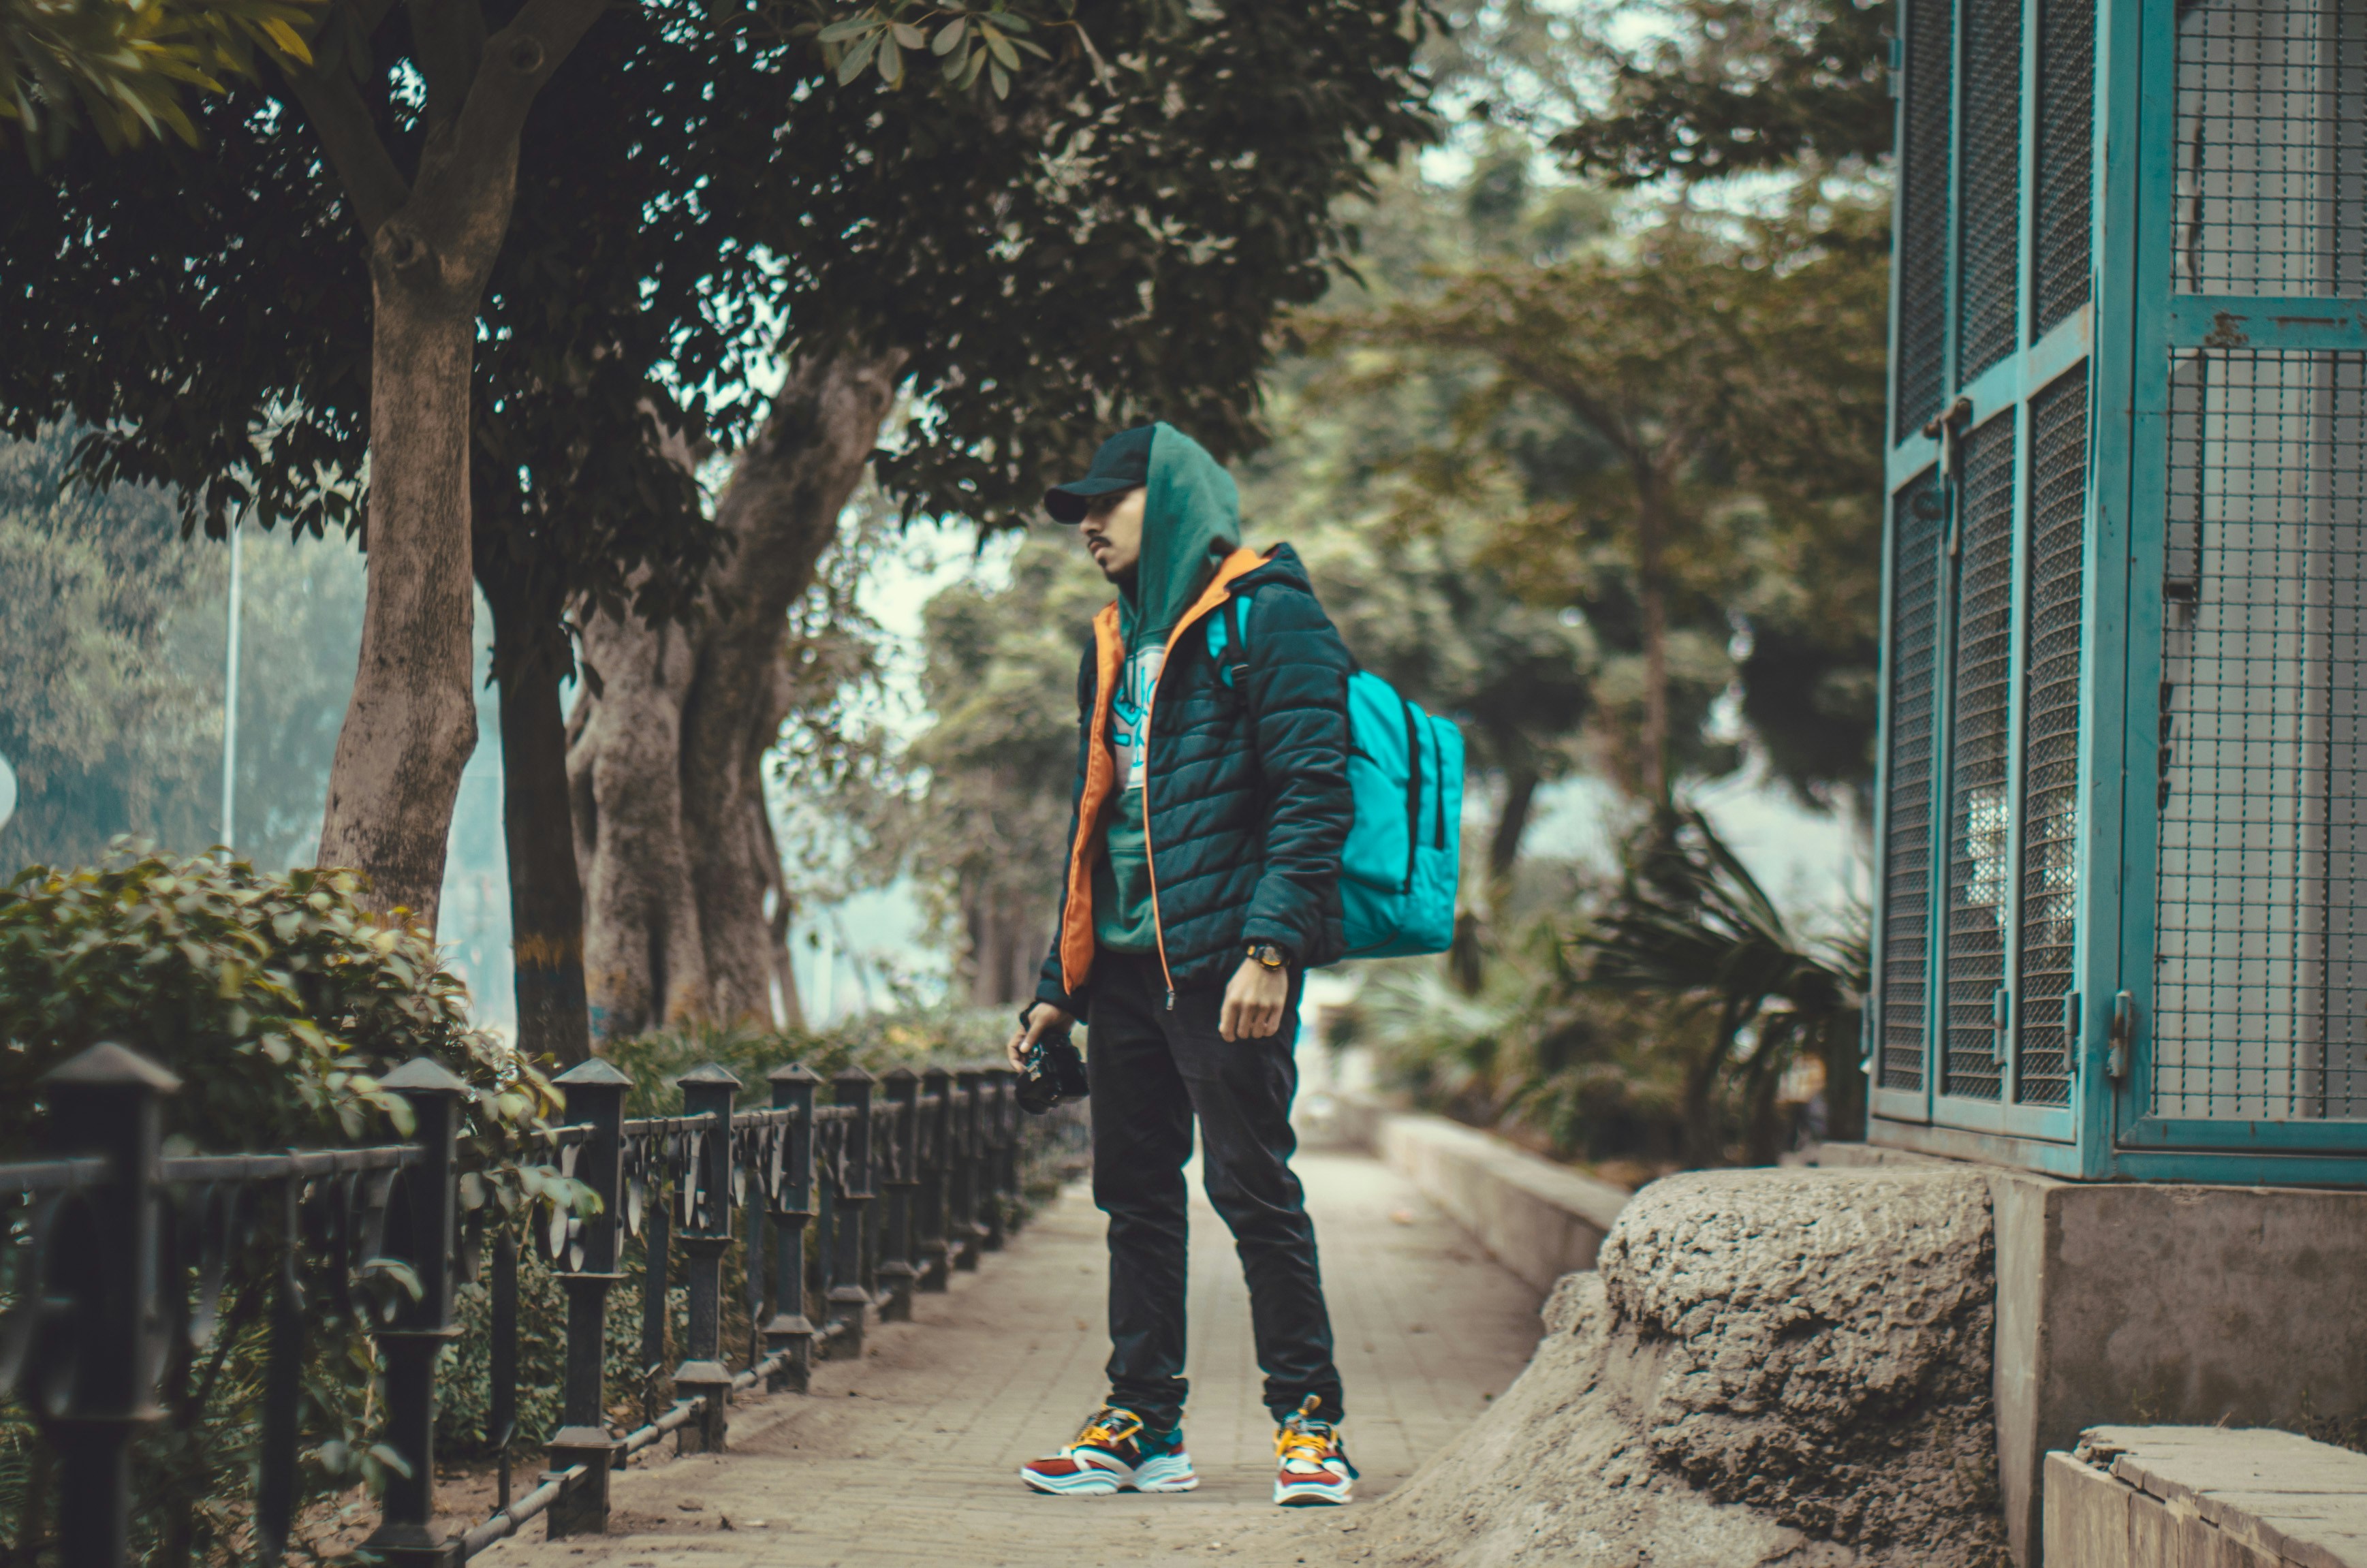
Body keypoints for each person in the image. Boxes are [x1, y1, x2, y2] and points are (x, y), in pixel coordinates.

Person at [1005, 422, 1360, 1507]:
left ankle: (1311, 1424)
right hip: (1120, 976)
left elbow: (1312, 794)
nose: (1087, 530)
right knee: (1135, 1197)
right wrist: (1055, 988)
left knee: (1252, 1187)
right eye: (1077, 515)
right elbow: (1094, 825)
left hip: (1223, 963)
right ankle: (1143, 1426)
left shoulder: (1269, 617)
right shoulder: (1111, 642)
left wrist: (1271, 947)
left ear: (1168, 502)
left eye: (1105, 507)